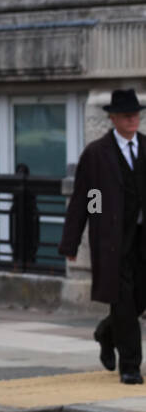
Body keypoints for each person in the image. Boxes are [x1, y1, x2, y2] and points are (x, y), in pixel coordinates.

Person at [59, 89, 146, 385]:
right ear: (113, 119)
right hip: (113, 243)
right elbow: (87, 197)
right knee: (123, 303)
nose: (133, 119)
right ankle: (131, 366)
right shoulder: (97, 154)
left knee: (139, 301)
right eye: (126, 115)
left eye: (135, 114)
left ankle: (106, 333)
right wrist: (72, 241)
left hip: (142, 241)